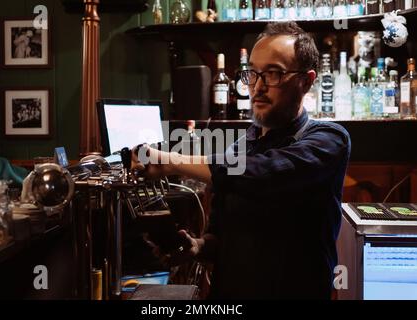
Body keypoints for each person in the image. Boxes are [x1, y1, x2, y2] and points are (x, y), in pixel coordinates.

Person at [131, 22, 351, 299]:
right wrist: (197, 247)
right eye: (252, 74)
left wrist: (170, 161)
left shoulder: (329, 140)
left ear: (306, 81)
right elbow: (219, 235)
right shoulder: (243, 143)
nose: (257, 87)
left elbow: (264, 174)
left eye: (273, 73)